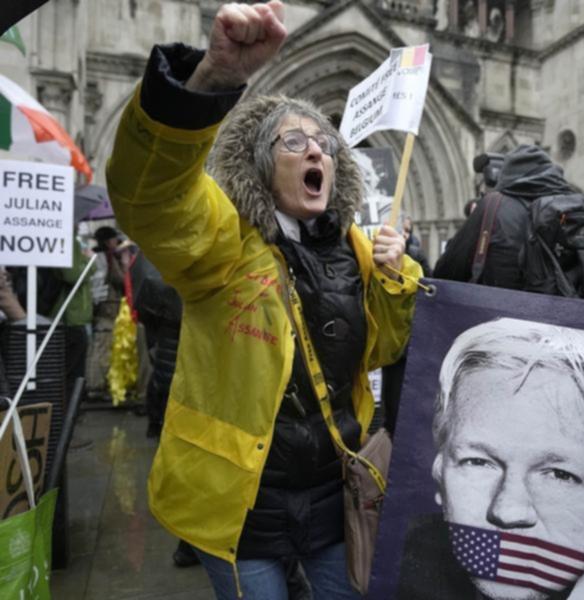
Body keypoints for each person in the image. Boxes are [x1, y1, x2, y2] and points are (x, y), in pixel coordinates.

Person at [105, 2, 421, 599]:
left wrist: (396, 281)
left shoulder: (357, 249)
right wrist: (211, 83)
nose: (314, 151)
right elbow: (150, 197)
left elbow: (382, 348)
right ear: (259, 166)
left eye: (324, 143)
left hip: (335, 500)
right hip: (242, 505)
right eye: (293, 141)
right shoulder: (224, 241)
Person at [398, 318, 584, 600]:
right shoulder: (396, 562)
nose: (507, 512)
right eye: (478, 462)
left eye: (559, 474)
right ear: (440, 474)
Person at [433, 145, 584, 292]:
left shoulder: (492, 205)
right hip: (572, 327)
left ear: (506, 175)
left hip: (500, 323)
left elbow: (446, 271)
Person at [86, 225, 126, 400]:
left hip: (104, 306)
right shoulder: (105, 258)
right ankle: (95, 386)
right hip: (107, 306)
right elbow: (119, 280)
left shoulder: (98, 257)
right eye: (113, 239)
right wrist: (124, 264)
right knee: (102, 346)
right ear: (107, 241)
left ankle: (97, 385)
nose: (117, 241)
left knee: (102, 346)